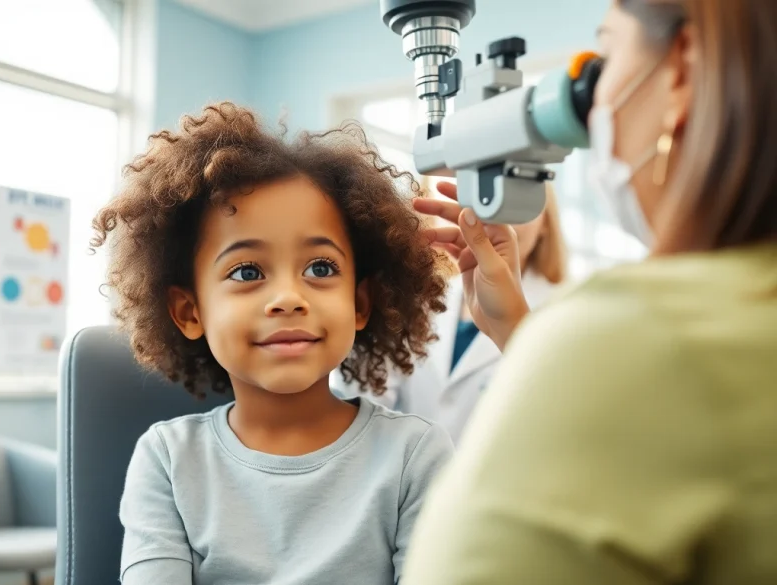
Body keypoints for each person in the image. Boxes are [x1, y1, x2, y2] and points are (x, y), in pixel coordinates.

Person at [402, 0, 777, 583]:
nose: (592, 108)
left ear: (680, 72)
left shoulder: (625, 333)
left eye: (601, 62)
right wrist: (518, 330)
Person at [90, 102, 454, 585]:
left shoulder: (416, 456)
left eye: (320, 268)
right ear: (189, 312)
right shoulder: (168, 460)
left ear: (360, 302)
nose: (287, 298)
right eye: (247, 271)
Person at [333, 184, 567, 443]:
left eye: (520, 203)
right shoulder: (428, 298)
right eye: (491, 197)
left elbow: (569, 422)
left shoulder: (569, 311)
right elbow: (366, 401)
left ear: (547, 222)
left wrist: (512, 328)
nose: (504, 219)